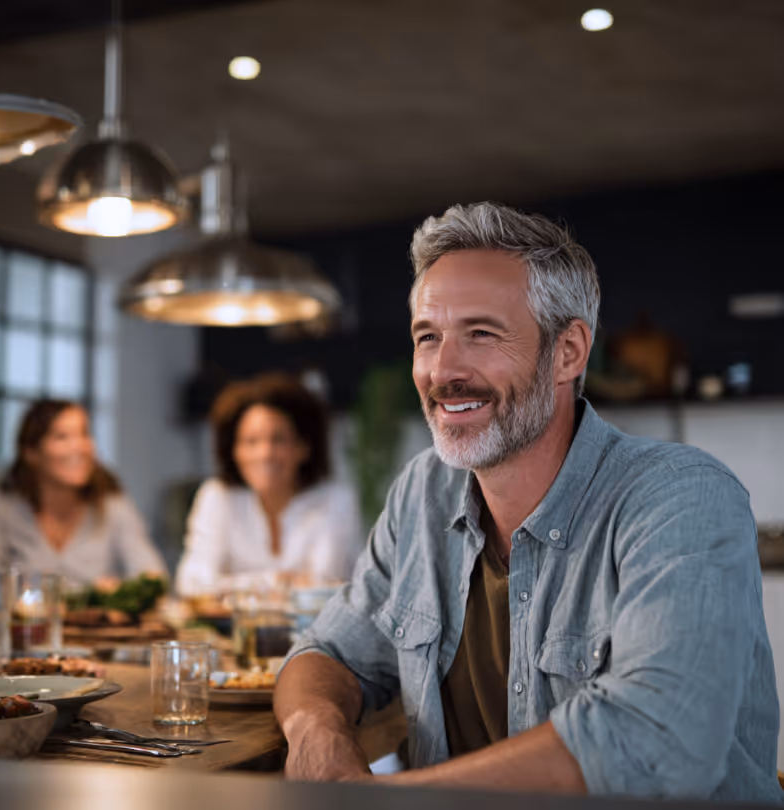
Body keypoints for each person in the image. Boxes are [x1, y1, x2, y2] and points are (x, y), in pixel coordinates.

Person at [274, 203, 781, 801]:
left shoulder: (679, 498)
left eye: (481, 334)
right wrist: (316, 732)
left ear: (568, 352)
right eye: (427, 337)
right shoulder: (422, 494)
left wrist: (392, 800)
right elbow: (331, 652)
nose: (443, 371)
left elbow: (660, 744)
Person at [174, 373, 361, 597]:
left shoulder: (336, 500)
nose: (265, 454)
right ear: (234, 451)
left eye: (279, 440)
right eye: (251, 442)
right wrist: (274, 580)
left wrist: (229, 586)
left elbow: (322, 582)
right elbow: (192, 583)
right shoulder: (217, 497)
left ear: (304, 447)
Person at [0, 399, 166, 589]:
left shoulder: (112, 504)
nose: (80, 447)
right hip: (28, 619)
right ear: (31, 452)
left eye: (84, 434)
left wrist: (120, 592)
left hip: (96, 619)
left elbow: (153, 577)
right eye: (62, 437)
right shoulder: (1, 507)